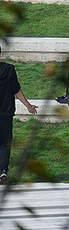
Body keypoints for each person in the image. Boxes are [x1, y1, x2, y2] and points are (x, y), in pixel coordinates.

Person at [0, 45, 37, 184]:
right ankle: (3, 171)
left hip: (5, 113)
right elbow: (16, 90)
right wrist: (28, 105)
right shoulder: (9, 70)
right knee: (4, 143)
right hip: (6, 112)